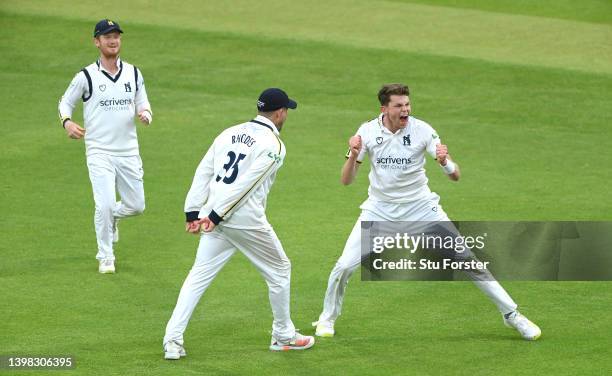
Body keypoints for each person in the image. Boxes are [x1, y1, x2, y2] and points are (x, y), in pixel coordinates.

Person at [313, 83, 541, 341]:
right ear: (384, 108)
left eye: (407, 104)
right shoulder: (366, 132)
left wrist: (445, 163)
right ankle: (327, 318)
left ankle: (512, 315)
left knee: (469, 261)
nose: (405, 110)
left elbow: (455, 175)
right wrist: (353, 155)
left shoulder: (423, 130)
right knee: (344, 266)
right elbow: (346, 180)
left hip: (422, 210)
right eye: (399, 106)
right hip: (380, 213)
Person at [162, 88, 315, 360]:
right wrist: (218, 215)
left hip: (213, 214)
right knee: (280, 269)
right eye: (286, 111)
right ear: (280, 113)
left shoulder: (228, 132)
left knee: (198, 277)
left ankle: (172, 341)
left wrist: (193, 212)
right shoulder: (275, 145)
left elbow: (204, 170)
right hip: (240, 219)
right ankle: (283, 335)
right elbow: (247, 185)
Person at [58, 19, 153, 274]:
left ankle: (114, 218)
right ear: (96, 42)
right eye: (107, 36)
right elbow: (65, 103)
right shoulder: (86, 76)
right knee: (104, 204)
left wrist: (145, 115)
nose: (113, 40)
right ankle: (105, 255)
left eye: (116, 36)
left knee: (137, 206)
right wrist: (67, 123)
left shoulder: (133, 73)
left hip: (129, 151)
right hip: (99, 151)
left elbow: (144, 104)